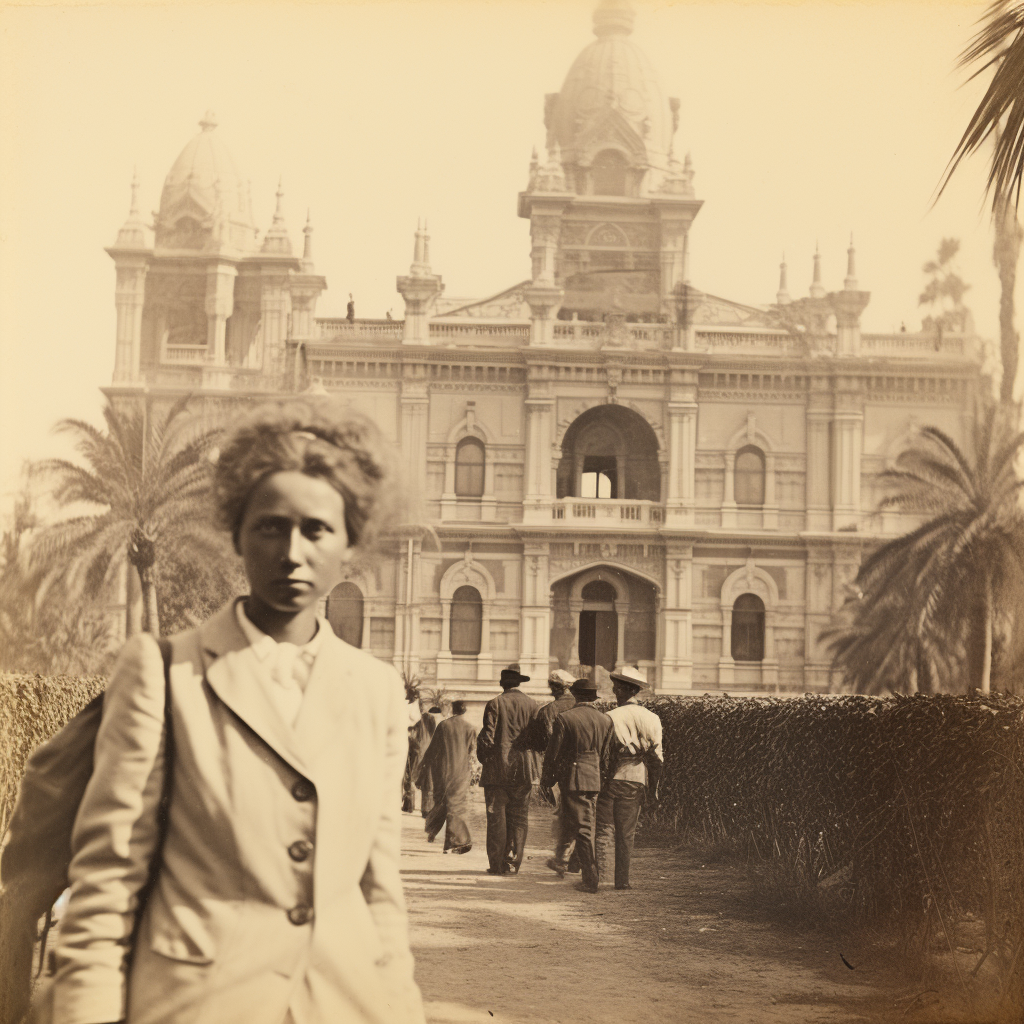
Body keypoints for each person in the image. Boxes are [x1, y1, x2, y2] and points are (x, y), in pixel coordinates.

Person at [48, 400, 425, 1024]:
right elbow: (107, 884)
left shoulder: (377, 691)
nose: (292, 552)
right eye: (271, 526)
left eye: (316, 530)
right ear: (236, 533)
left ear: (349, 544)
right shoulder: (165, 673)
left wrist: (398, 1008)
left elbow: (378, 888)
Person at [541, 678, 614, 894]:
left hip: (573, 778)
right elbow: (607, 758)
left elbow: (553, 754)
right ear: (593, 698)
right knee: (579, 822)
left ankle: (590, 879)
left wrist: (547, 781)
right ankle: (570, 863)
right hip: (594, 779)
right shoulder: (606, 720)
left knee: (582, 828)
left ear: (576, 695)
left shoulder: (565, 718)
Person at [597, 665, 664, 891]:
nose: (615, 692)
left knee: (604, 828)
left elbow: (604, 755)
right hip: (637, 779)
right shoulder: (653, 718)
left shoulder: (610, 717)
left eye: (616, 688)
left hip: (611, 778)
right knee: (626, 833)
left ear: (622, 690)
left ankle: (598, 877)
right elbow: (657, 759)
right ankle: (622, 881)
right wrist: (653, 789)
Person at [476, 665, 538, 876]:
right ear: (519, 683)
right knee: (519, 818)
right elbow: (536, 739)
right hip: (523, 770)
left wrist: (485, 760)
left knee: (497, 819)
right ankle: (513, 863)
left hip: (497, 771)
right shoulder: (532, 705)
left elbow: (488, 738)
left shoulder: (495, 703)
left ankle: (497, 865)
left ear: (502, 683)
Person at [527, 670, 577, 877]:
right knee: (582, 814)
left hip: (560, 769)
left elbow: (544, 744)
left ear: (555, 687)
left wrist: (546, 776)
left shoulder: (549, 710)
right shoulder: (585, 706)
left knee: (564, 813)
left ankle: (562, 858)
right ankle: (574, 860)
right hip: (588, 768)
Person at [417, 700, 475, 855]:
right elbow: (472, 752)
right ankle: (453, 841)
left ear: (452, 709)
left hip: (443, 771)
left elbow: (432, 750)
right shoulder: (470, 728)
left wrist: (422, 768)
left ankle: (437, 833)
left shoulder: (444, 725)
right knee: (456, 805)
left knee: (444, 803)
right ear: (465, 710)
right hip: (462, 772)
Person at [415, 706, 444, 817]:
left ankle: (426, 809)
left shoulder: (425, 720)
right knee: (432, 782)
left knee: (427, 782)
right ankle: (431, 809)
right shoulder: (441, 720)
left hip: (426, 753)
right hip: (436, 755)